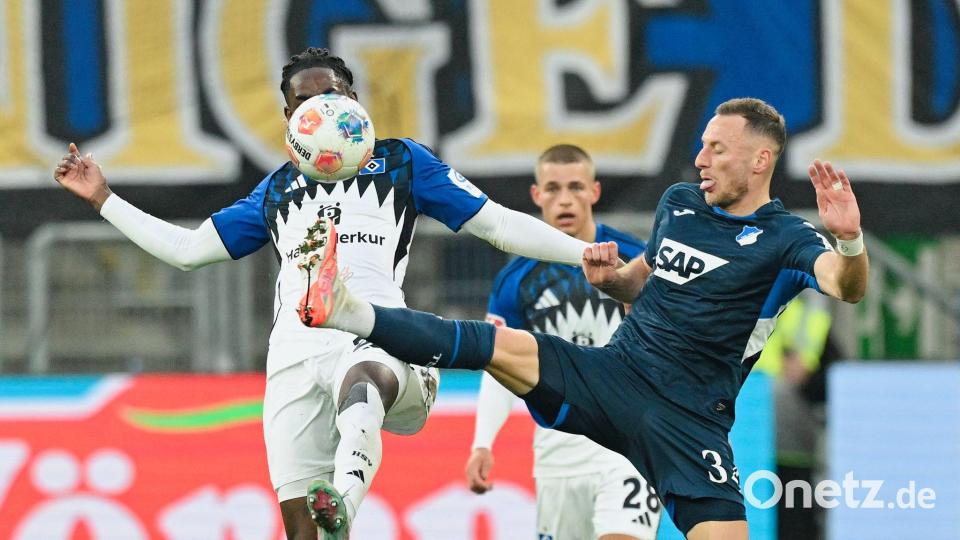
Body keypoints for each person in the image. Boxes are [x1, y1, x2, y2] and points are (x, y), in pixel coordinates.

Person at [52, 48, 593, 540]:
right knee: (300, 528)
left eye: (330, 95)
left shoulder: (402, 162)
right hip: (293, 352)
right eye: (302, 102)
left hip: (380, 332)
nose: (319, 109)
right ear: (288, 119)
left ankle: (347, 504)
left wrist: (583, 254)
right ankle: (333, 520)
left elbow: (496, 225)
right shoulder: (277, 190)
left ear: (354, 101)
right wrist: (103, 197)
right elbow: (189, 250)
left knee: (362, 383)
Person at [294, 97, 869, 540]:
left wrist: (848, 241)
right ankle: (350, 309)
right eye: (702, 144)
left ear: (760, 159)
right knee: (497, 344)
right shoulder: (680, 204)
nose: (700, 158)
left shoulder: (788, 239)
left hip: (689, 420)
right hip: (616, 372)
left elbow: (846, 287)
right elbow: (643, 281)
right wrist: (612, 280)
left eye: (717, 148)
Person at [465, 144, 660, 540]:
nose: (565, 199)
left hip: (628, 447)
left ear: (595, 192)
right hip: (557, 456)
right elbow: (499, 362)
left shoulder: (635, 259)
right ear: (537, 196)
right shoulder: (516, 280)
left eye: (575, 187)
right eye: (553, 188)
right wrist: (482, 442)